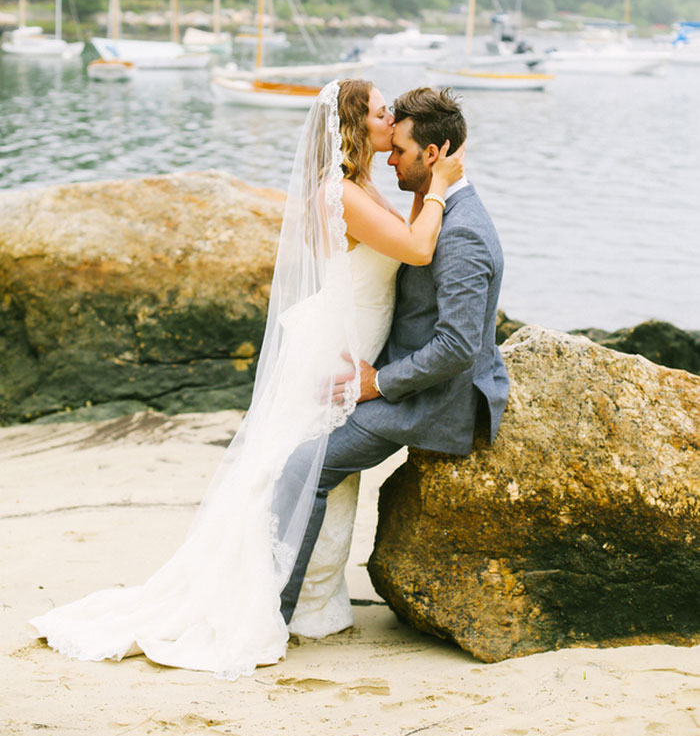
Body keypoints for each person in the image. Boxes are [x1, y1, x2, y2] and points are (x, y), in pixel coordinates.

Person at [29, 78, 463, 681]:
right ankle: (272, 597)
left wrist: (426, 185)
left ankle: (316, 601)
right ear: (355, 127)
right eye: (381, 110)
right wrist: (443, 186)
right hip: (340, 349)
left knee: (326, 473)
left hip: (356, 340)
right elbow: (417, 251)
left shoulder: (363, 186)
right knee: (297, 466)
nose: (391, 117)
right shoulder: (340, 192)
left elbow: (409, 239)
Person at [280, 85, 509, 625]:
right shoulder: (441, 206)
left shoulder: (462, 235)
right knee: (302, 457)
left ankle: (274, 610)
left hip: (434, 396)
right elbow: (410, 244)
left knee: (303, 467)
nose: (390, 157)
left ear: (432, 155)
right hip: (405, 374)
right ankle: (292, 599)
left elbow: (456, 346)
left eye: (400, 151)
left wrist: (376, 383)